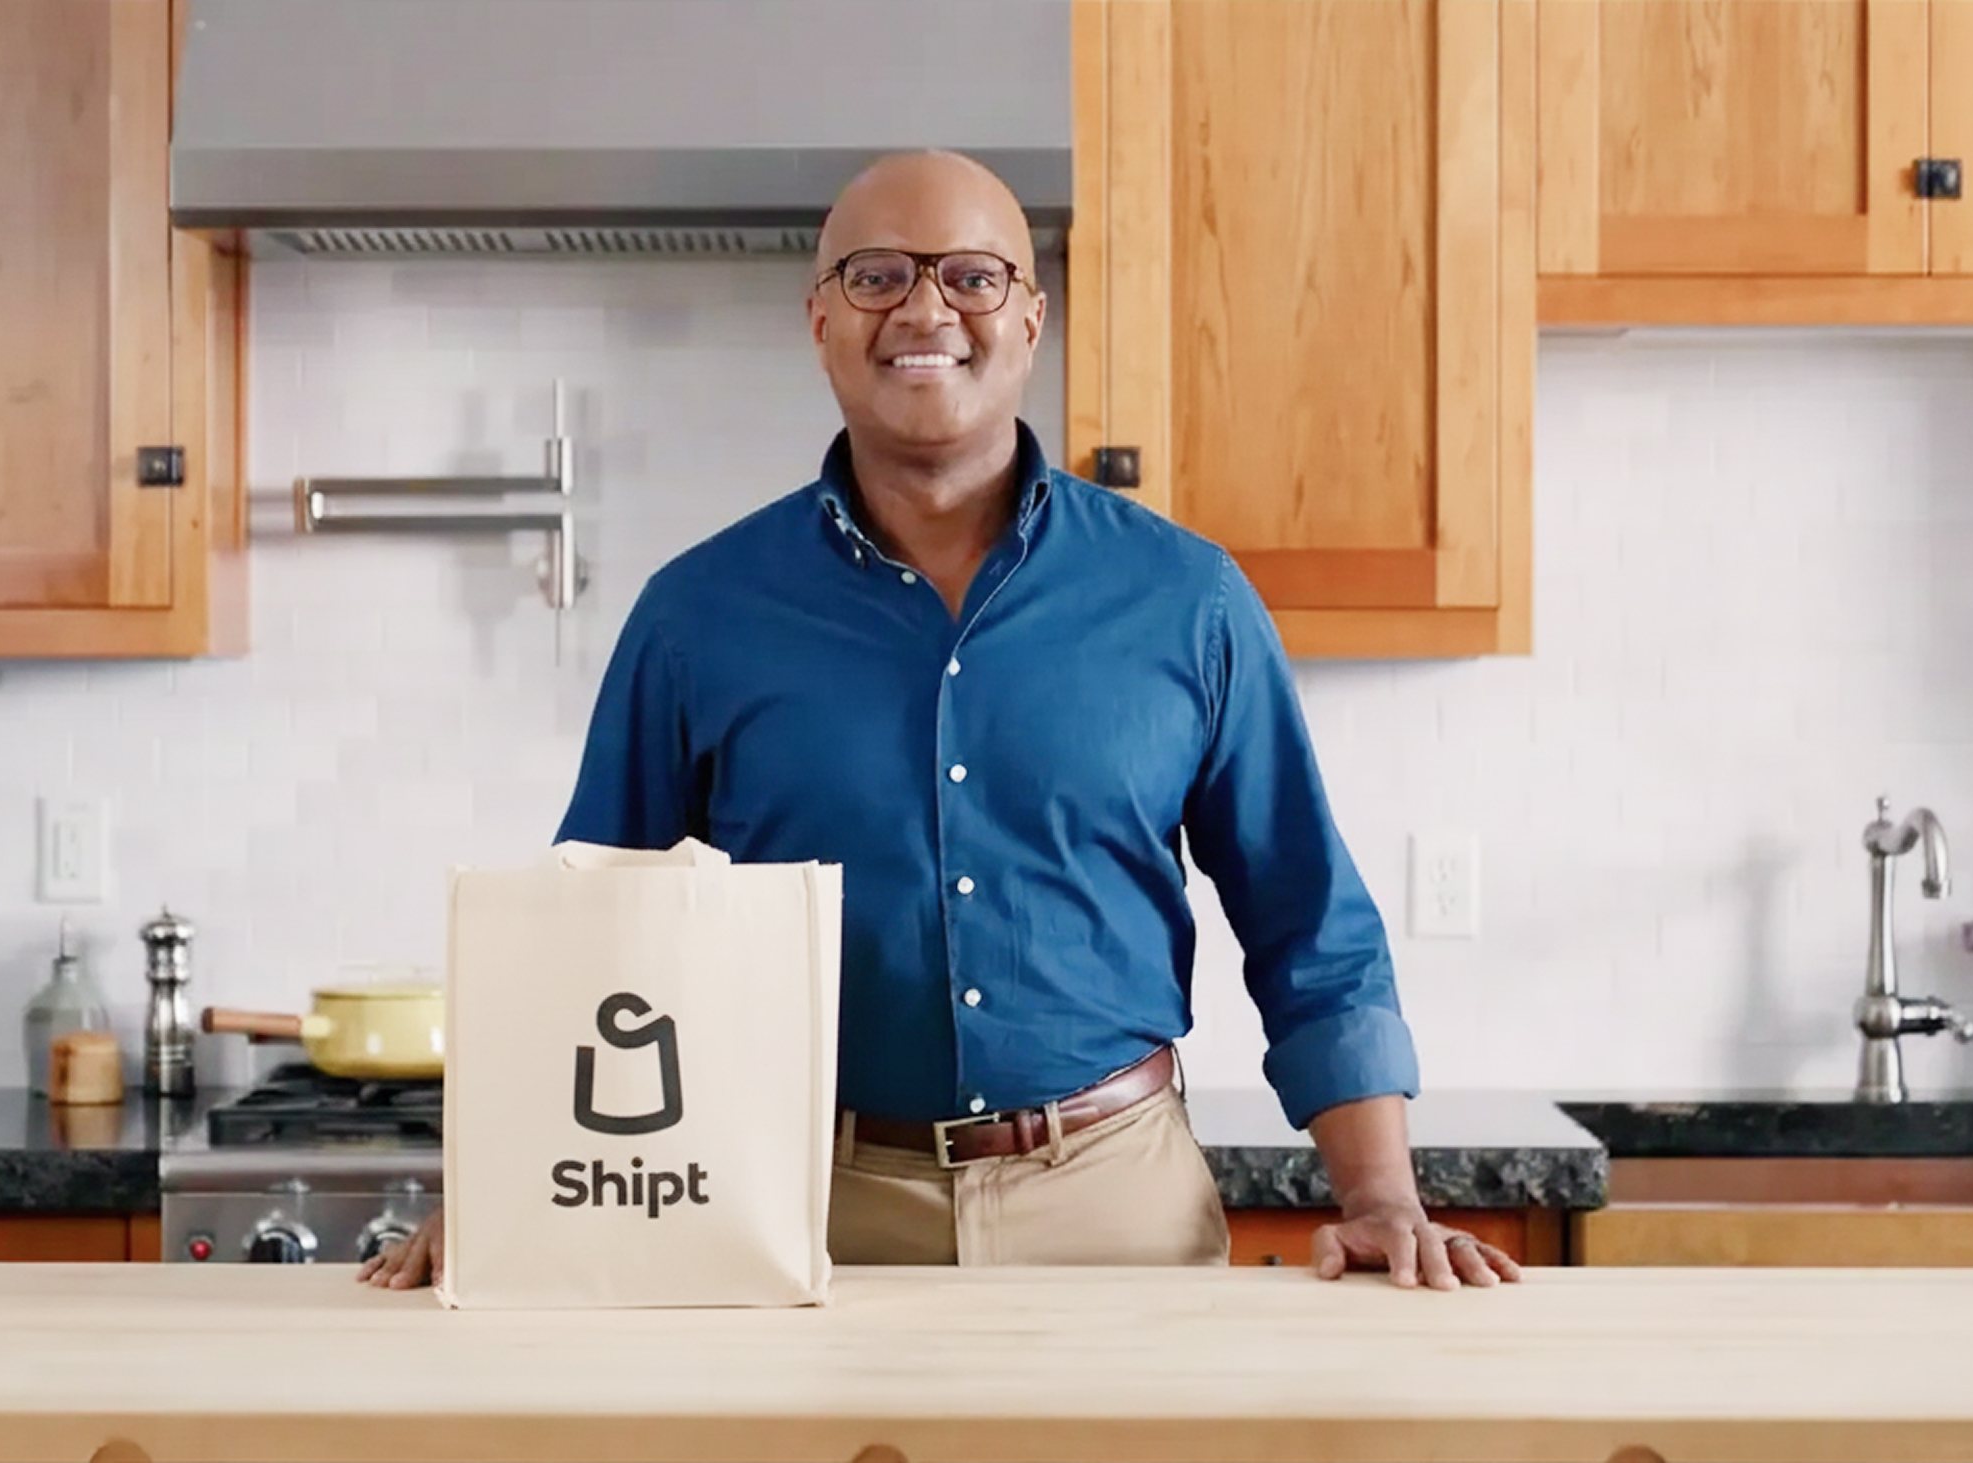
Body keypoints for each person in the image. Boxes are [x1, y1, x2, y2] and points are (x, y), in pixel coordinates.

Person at [362, 149, 1519, 1292]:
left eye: (971, 275)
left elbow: (1306, 919)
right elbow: (591, 925)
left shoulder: (1188, 601)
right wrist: (502, 1189)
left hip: (1117, 1206)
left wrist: (1379, 1198)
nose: (925, 306)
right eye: (875, 276)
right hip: (795, 1205)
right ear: (817, 320)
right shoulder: (696, 616)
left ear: (1029, 319)